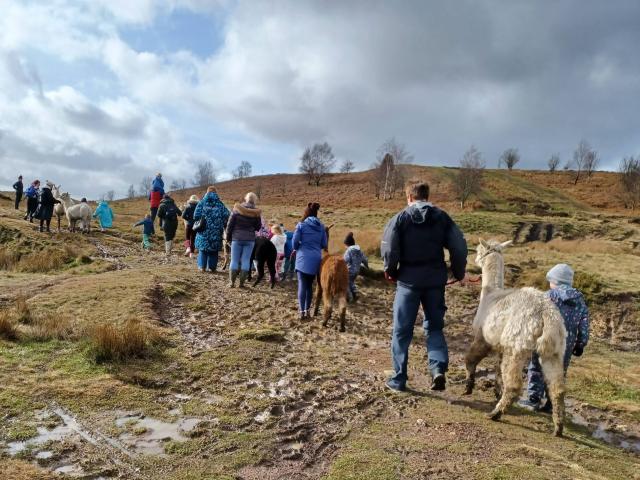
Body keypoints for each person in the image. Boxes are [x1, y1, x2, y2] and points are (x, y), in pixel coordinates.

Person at [381, 182, 467, 392]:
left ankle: (399, 378)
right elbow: (459, 246)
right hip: (435, 282)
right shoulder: (442, 217)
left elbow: (390, 249)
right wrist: (458, 272)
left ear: (409, 197)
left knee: (401, 331)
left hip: (408, 282)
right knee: (435, 328)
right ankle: (437, 370)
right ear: (427, 196)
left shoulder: (400, 218)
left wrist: (390, 271)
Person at [520, 264, 590, 412]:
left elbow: (535, 318)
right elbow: (584, 323)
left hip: (546, 339)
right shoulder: (580, 300)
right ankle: (552, 404)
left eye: (550, 280)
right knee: (558, 372)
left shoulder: (547, 297)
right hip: (566, 345)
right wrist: (581, 343)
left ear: (555, 281)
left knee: (537, 367)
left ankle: (533, 400)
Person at [292, 202, 327, 319]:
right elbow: (324, 244)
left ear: (306, 212)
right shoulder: (321, 227)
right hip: (316, 259)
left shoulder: (301, 225)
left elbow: (294, 243)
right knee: (309, 286)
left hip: (302, 258)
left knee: (302, 284)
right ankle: (307, 310)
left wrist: (300, 247)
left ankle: (301, 311)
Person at [226, 192, 262, 287]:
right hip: (250, 239)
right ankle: (241, 284)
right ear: (254, 200)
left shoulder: (237, 209)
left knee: (234, 260)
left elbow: (230, 225)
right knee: (246, 260)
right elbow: (258, 227)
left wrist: (228, 237)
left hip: (237, 238)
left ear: (246, 198)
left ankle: (232, 282)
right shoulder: (256, 212)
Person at [194, 187, 229, 272]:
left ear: (207, 192)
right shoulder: (220, 204)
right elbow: (227, 215)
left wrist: (202, 219)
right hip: (216, 231)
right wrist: (221, 223)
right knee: (214, 250)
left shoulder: (202, 202)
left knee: (203, 249)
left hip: (203, 230)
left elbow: (195, 215)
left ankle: (202, 267)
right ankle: (212, 267)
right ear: (216, 193)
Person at [343, 232, 369, 302]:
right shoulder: (359, 250)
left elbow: (345, 260)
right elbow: (365, 259)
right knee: (351, 281)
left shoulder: (349, 251)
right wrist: (367, 266)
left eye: (345, 245)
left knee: (346, 282)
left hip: (350, 270)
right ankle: (355, 293)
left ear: (347, 244)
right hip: (357, 270)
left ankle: (350, 297)